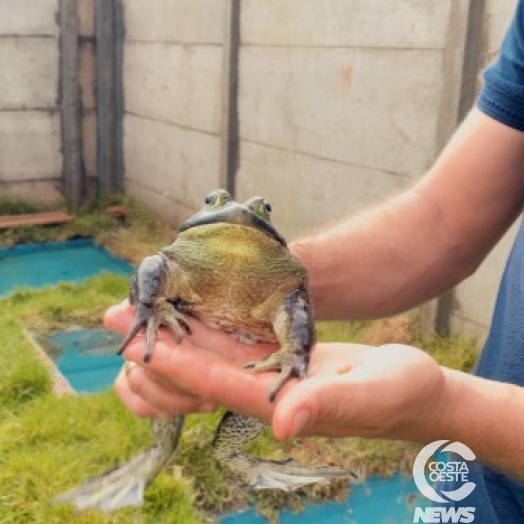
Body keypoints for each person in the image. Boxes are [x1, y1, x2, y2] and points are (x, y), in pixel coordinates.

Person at [109, 3, 524, 522]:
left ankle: (232, 459)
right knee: (171, 387)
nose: (238, 215)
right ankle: (155, 459)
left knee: (243, 417)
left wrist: (453, 409)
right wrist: (240, 284)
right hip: (473, 501)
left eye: (259, 214)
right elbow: (442, 220)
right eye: (218, 205)